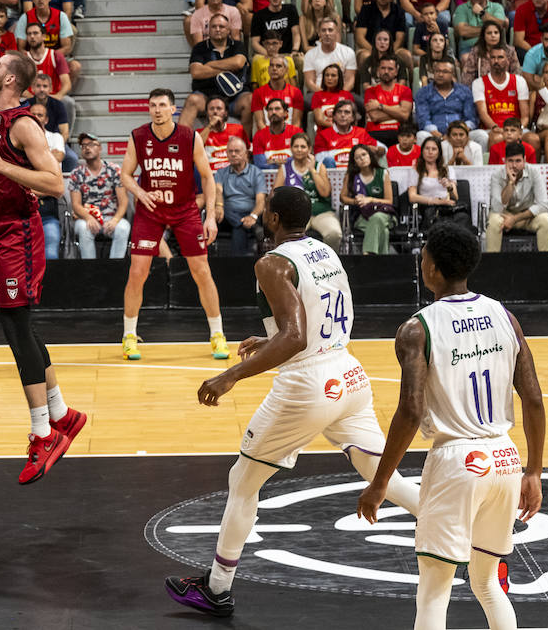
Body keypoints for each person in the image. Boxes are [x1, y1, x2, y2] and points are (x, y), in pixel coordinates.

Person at [166, 186, 420, 620]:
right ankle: (466, 530)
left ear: (273, 219)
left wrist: (230, 376)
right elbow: (316, 321)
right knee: (378, 471)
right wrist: (271, 339)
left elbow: (297, 336)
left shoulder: (271, 262)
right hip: (349, 373)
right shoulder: (324, 250)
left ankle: (217, 588)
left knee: (242, 481)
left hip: (308, 385)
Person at [358, 222, 545, 627]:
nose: (421, 262)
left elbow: (410, 412)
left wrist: (379, 484)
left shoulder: (416, 328)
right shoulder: (504, 316)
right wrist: (534, 470)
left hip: (457, 460)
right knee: (485, 582)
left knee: (433, 594)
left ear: (433, 270)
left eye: (424, 257)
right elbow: (533, 398)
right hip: (505, 458)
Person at [0, 0, 88, 485]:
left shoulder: (22, 125)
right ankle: (62, 414)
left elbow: (58, 184)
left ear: (11, 80)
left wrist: (0, 166)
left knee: (18, 327)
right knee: (14, 325)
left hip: (19, 231)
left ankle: (44, 431)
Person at [119, 89, 225, 359]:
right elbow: (126, 175)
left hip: (184, 209)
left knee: (201, 271)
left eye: (162, 105)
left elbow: (208, 177)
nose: (157, 109)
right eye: (152, 105)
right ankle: (129, 335)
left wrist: (210, 216)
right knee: (137, 272)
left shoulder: (190, 137)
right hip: (150, 210)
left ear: (173, 109)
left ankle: (217, 335)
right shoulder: (138, 136)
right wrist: (141, 193)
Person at [67, 133, 129, 260]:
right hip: (86, 218)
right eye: (83, 146)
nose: (87, 148)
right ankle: (90, 271)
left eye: (91, 144)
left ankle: (114, 268)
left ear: (100, 148)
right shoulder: (77, 173)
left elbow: (123, 202)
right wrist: (88, 218)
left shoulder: (114, 170)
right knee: (84, 228)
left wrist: (115, 220)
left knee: (123, 228)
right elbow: (76, 204)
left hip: (111, 218)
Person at [273, 132, 340, 248]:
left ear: (309, 149)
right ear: (291, 149)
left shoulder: (319, 167)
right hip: (296, 214)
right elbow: (275, 195)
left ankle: (330, 264)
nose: (299, 150)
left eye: (303, 147)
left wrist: (312, 170)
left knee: (334, 233)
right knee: (287, 238)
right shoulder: (284, 168)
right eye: (296, 146)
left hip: (321, 212)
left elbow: (325, 192)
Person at [486, 141, 548, 251]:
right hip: (505, 215)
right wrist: (510, 183)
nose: (514, 165)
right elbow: (497, 208)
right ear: (505, 161)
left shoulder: (534, 172)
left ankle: (546, 264)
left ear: (524, 160)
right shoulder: (497, 175)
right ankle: (492, 263)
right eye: (510, 161)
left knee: (545, 220)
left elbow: (543, 205)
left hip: (527, 216)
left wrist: (515, 219)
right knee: (494, 221)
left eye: (518, 161)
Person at [342, 143, 395, 254]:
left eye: (364, 154)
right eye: (357, 157)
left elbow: (389, 201)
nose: (362, 159)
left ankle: (368, 256)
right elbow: (343, 197)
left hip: (384, 213)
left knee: (377, 218)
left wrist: (370, 199)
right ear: (354, 162)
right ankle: (382, 265)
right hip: (362, 216)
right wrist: (355, 201)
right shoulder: (351, 175)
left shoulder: (383, 173)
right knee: (383, 231)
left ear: (370, 155)